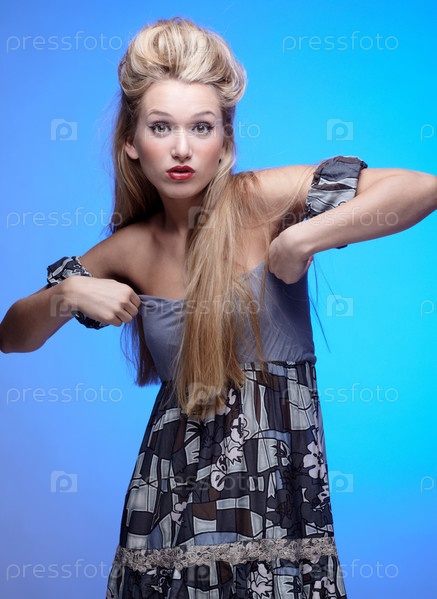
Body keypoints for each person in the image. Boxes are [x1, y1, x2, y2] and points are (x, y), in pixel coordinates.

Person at [0, 16, 436, 599]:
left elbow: (420, 188)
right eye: (161, 127)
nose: (181, 148)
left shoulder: (261, 200)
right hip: (168, 505)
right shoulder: (129, 248)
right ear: (131, 141)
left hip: (279, 501)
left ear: (225, 142)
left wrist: (301, 239)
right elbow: (12, 336)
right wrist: (66, 293)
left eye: (201, 127)